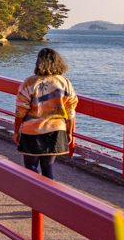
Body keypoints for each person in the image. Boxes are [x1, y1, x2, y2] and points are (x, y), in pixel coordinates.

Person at [13, 48, 77, 180]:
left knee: (30, 167)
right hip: (56, 130)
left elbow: (21, 110)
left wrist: (16, 131)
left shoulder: (30, 83)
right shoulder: (64, 82)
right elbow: (70, 110)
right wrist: (69, 132)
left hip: (32, 130)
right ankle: (48, 193)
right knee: (48, 168)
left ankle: (34, 192)